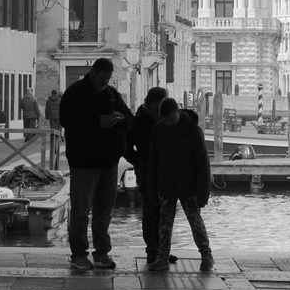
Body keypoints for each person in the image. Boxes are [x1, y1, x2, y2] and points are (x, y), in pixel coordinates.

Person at [57, 59, 132, 270]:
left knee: (104, 211)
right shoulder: (74, 93)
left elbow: (130, 118)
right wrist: (98, 122)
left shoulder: (112, 94)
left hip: (108, 161)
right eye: (102, 78)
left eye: (108, 79)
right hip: (84, 162)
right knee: (81, 211)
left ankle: (101, 253)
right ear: (93, 72)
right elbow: (67, 120)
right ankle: (79, 254)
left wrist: (120, 118)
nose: (104, 82)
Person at [145, 98, 213, 271]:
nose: (167, 123)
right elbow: (152, 162)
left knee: (195, 221)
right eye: (164, 120)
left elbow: (203, 164)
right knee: (164, 223)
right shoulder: (158, 130)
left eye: (170, 119)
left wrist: (203, 192)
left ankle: (206, 256)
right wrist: (152, 189)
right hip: (166, 184)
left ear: (178, 112)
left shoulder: (193, 131)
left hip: (189, 186)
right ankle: (162, 258)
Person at [126, 86, 170, 266]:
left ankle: (163, 251)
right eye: (159, 103)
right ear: (151, 103)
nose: (161, 106)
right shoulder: (140, 120)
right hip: (146, 170)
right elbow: (127, 147)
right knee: (150, 211)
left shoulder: (164, 118)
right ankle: (152, 250)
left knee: (164, 212)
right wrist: (139, 162)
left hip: (164, 170)